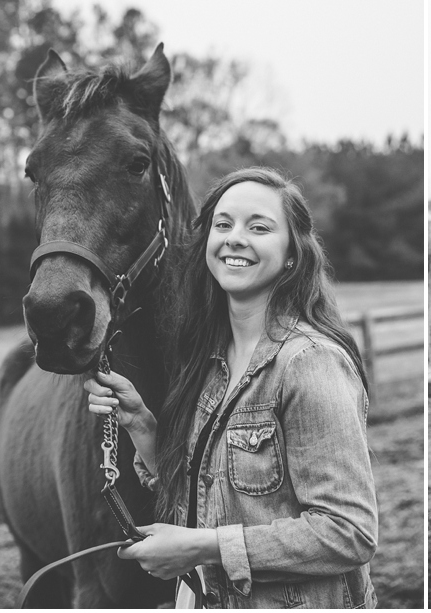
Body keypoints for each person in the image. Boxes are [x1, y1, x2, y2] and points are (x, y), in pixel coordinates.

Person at [85, 167, 378, 608]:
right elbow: (211, 497)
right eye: (223, 224)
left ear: (293, 253)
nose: (235, 237)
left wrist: (202, 548)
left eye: (258, 227)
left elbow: (350, 532)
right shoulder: (210, 361)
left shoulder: (309, 363)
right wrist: (142, 425)